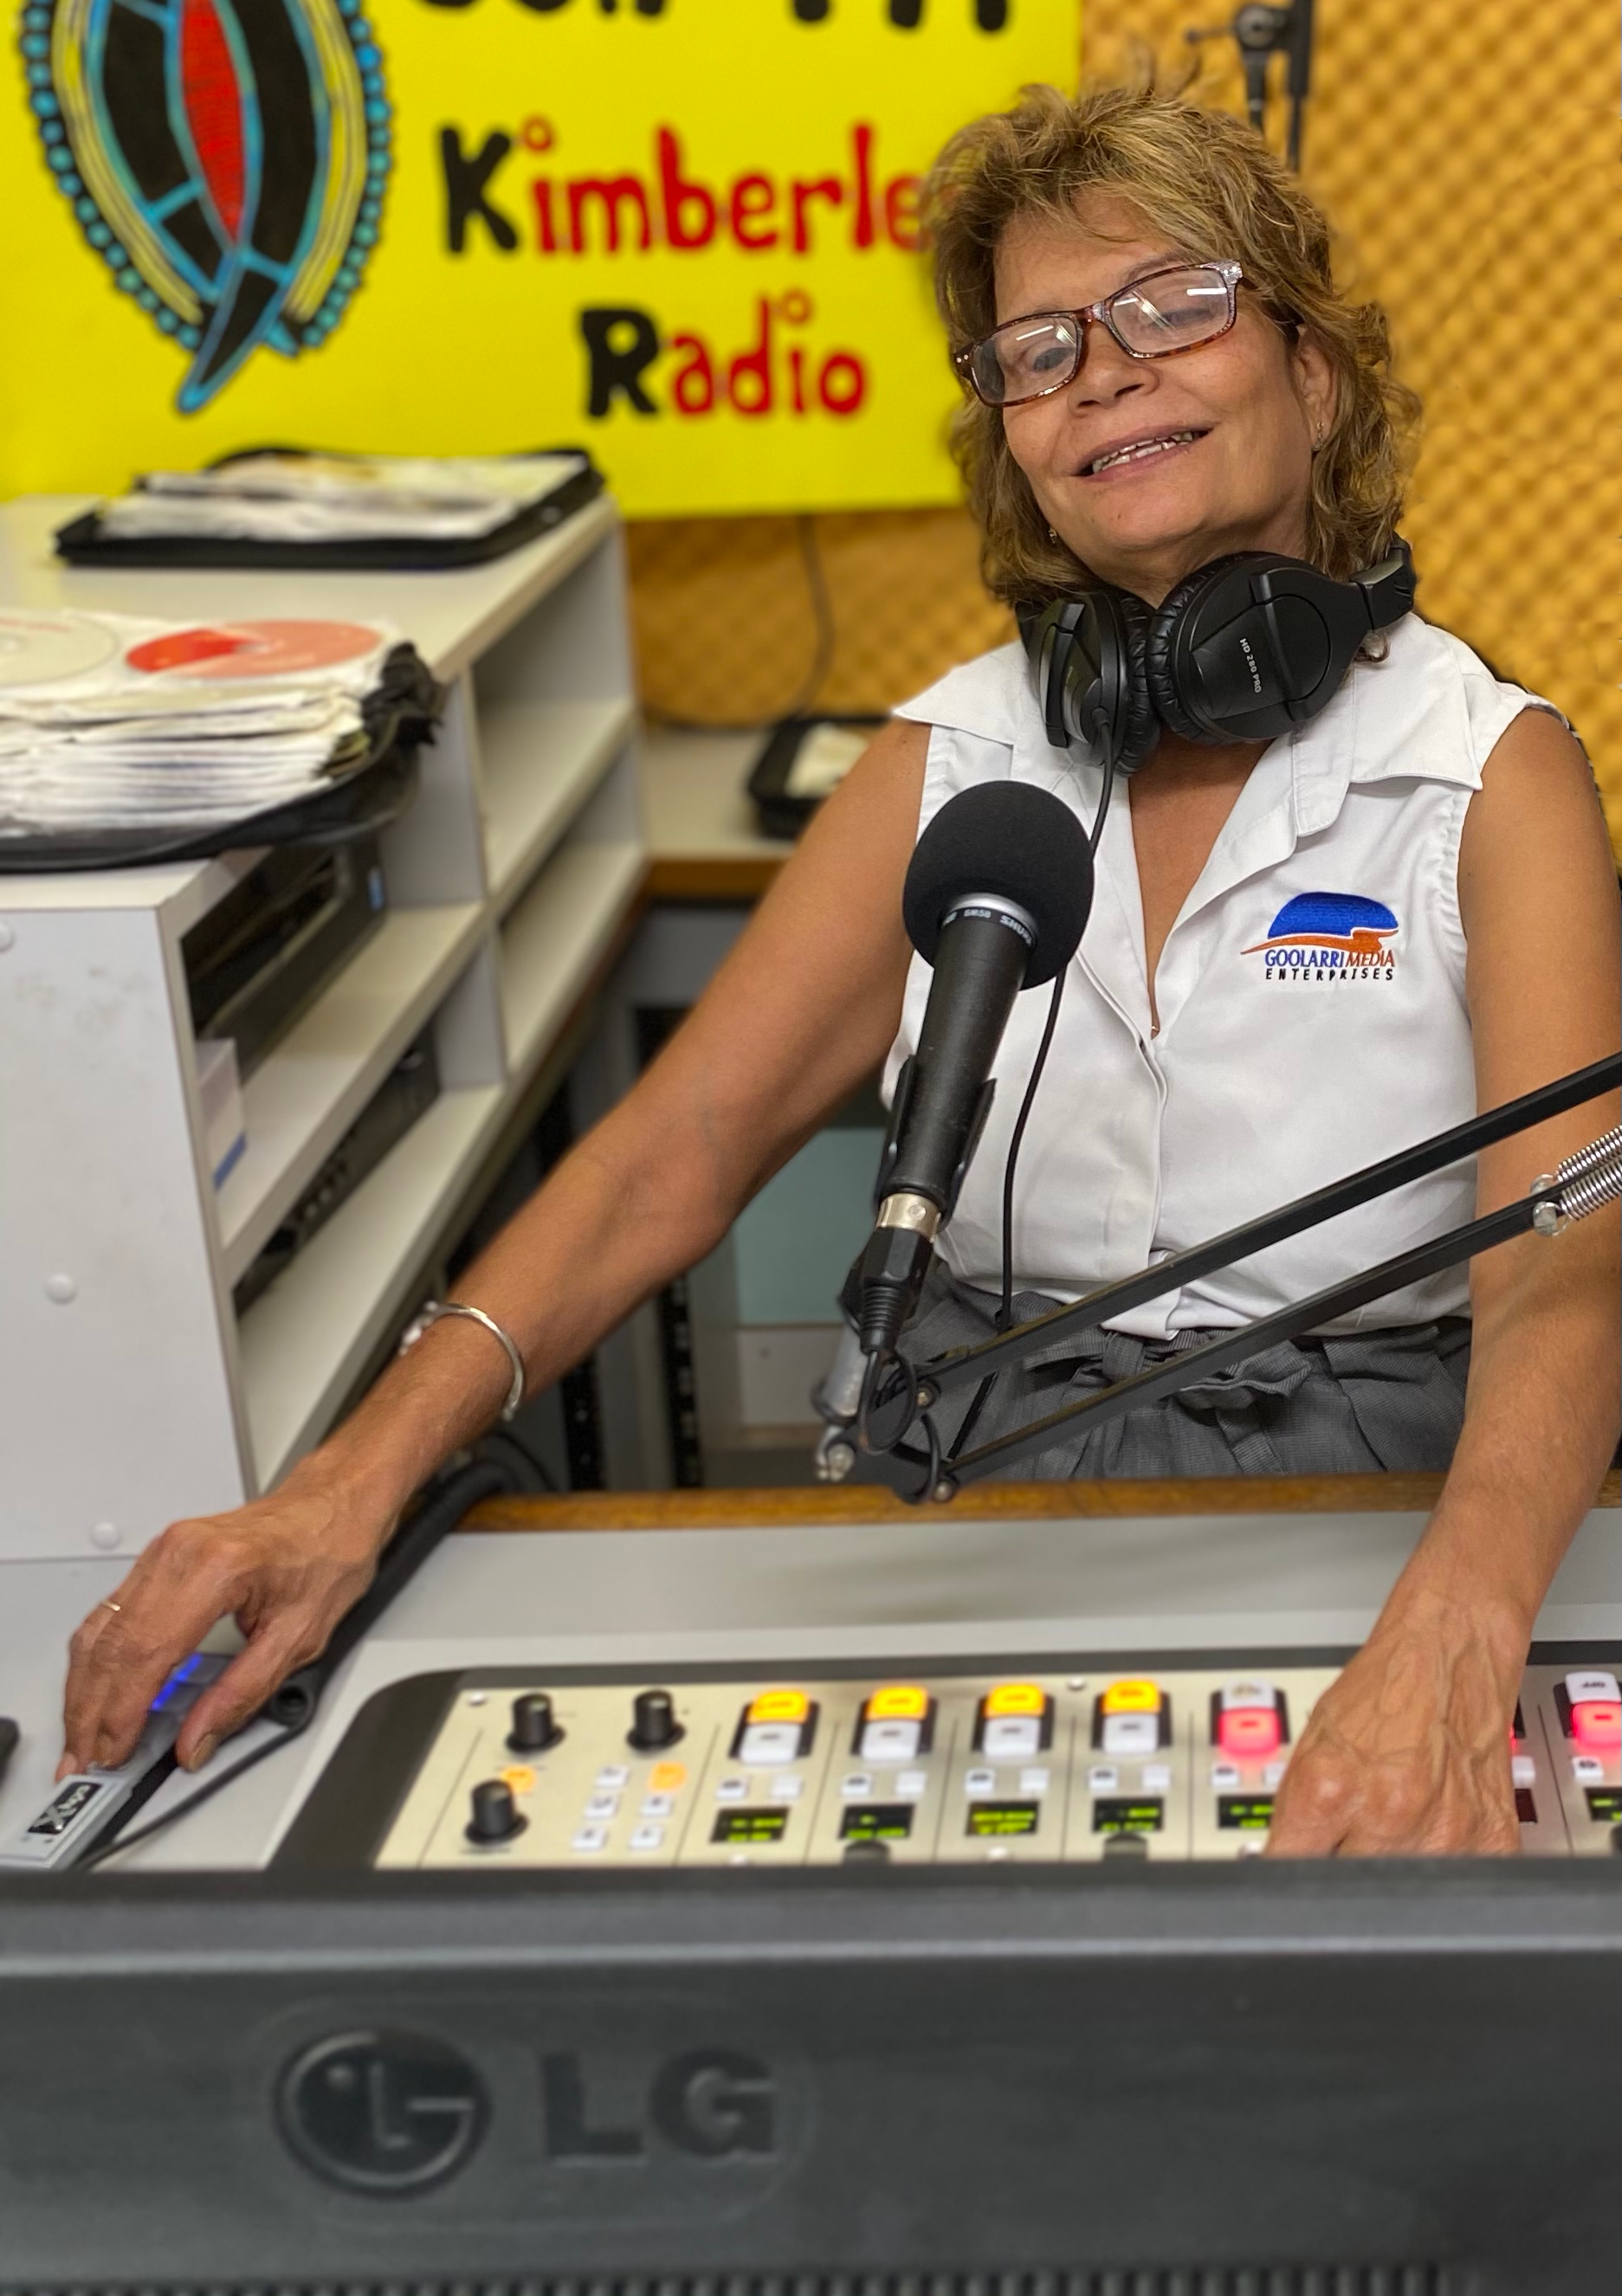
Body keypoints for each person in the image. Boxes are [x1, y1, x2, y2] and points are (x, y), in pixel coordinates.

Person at [60, 81, 1619, 1855]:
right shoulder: (947, 760)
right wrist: (344, 1483)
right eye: (1036, 350)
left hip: (1388, 1501)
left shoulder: (1494, 772)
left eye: (1174, 303)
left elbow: (1568, 1266)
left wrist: (1456, 1626)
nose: (1102, 370)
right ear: (1012, 442)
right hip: (989, 1483)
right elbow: (677, 1151)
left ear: (1316, 374)